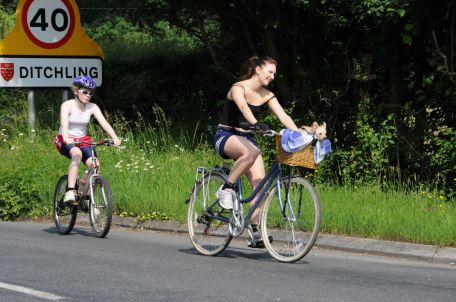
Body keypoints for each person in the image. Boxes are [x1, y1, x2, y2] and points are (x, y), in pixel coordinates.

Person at [212, 56, 299, 247]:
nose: (272, 76)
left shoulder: (267, 95)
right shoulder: (238, 88)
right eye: (270, 72)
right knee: (251, 153)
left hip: (247, 141)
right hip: (225, 135)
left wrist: (300, 134)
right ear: (258, 70)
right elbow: (243, 107)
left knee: (260, 186)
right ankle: (226, 188)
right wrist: (256, 124)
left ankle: (255, 230)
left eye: (274, 74)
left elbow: (283, 116)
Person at [54, 75, 121, 205]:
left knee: (95, 165)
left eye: (91, 92)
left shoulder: (92, 107)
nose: (88, 95)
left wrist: (115, 138)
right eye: (85, 91)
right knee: (77, 154)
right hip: (65, 139)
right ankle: (70, 190)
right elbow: (64, 124)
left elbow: (104, 123)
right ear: (76, 91)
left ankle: (87, 192)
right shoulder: (67, 105)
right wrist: (67, 137)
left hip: (83, 140)